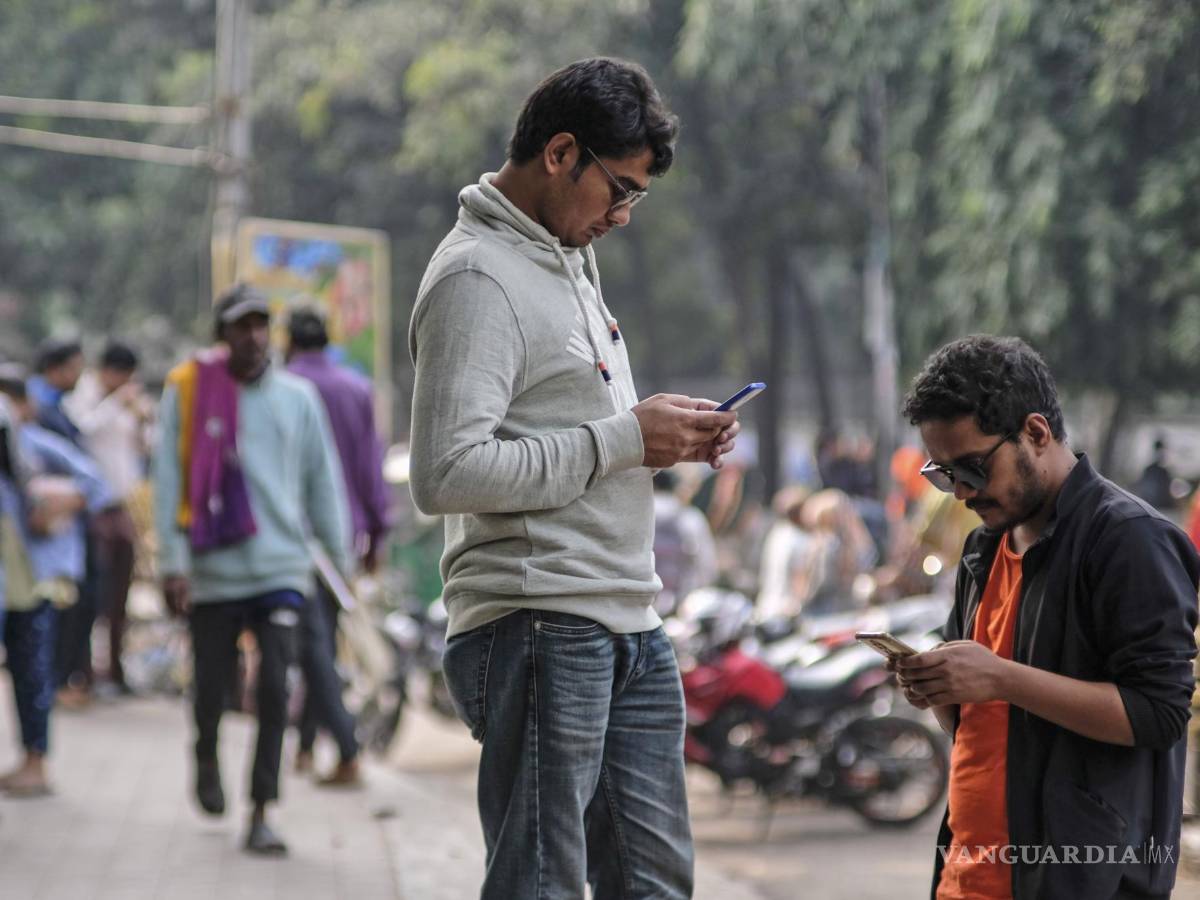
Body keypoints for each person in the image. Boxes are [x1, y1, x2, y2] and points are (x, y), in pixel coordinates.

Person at [408, 57, 739, 899]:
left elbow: (578, 433)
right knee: (541, 882)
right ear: (560, 154)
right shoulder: (477, 276)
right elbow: (445, 473)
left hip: (627, 614)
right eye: (619, 189)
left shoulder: (566, 258)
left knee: (655, 883)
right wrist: (624, 438)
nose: (623, 215)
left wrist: (659, 440)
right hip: (540, 622)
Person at [894, 335, 1199, 899]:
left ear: (1035, 433)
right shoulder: (985, 548)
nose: (961, 492)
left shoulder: (1129, 541)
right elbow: (978, 727)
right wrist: (936, 686)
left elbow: (1159, 714)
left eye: (973, 469)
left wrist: (1000, 677)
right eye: (944, 473)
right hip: (967, 874)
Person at [153, 285, 351, 855]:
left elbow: (323, 481)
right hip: (214, 568)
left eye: (262, 324)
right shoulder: (189, 393)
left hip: (282, 569)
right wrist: (172, 562)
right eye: (242, 325)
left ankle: (262, 808)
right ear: (223, 334)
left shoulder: (299, 398)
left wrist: (337, 564)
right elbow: (168, 475)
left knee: (273, 686)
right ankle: (205, 753)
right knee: (212, 687)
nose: (254, 335)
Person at [286, 304, 392, 786]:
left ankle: (347, 749)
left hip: (293, 537)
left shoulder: (283, 390)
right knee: (320, 639)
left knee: (313, 645)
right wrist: (377, 533)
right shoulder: (355, 389)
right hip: (343, 536)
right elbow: (371, 469)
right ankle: (307, 748)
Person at [0, 365, 111, 797]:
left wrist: (57, 500)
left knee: (32, 673)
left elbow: (95, 484)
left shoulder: (38, 447)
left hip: (31, 581)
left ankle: (35, 761)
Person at [63, 342, 150, 693]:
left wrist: (142, 418)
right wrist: (116, 403)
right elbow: (85, 429)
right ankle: (83, 670)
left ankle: (115, 669)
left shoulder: (129, 402)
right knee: (92, 594)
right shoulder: (83, 395)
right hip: (91, 510)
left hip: (122, 506)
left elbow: (144, 448)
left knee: (120, 593)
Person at [651, 469, 718, 615]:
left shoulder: (638, 515)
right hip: (682, 603)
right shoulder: (691, 517)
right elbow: (707, 567)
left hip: (643, 602)